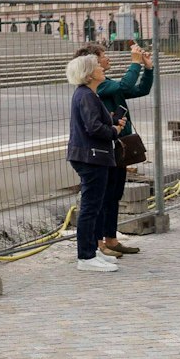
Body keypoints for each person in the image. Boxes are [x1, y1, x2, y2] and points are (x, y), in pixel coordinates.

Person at [76, 41, 153, 257]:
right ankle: (99, 243)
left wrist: (147, 68)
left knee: (114, 194)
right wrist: (134, 63)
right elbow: (126, 86)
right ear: (92, 62)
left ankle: (111, 238)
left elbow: (139, 89)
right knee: (103, 196)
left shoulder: (106, 82)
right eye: (103, 56)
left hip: (118, 145)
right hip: (103, 148)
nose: (107, 59)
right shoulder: (96, 86)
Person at [65, 53, 121, 273]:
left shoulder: (87, 94)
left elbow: (94, 123)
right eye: (98, 65)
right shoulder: (86, 95)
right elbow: (94, 128)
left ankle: (91, 251)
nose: (102, 67)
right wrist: (114, 131)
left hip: (91, 155)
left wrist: (113, 121)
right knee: (90, 207)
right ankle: (85, 256)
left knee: (94, 206)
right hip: (91, 156)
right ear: (89, 74)